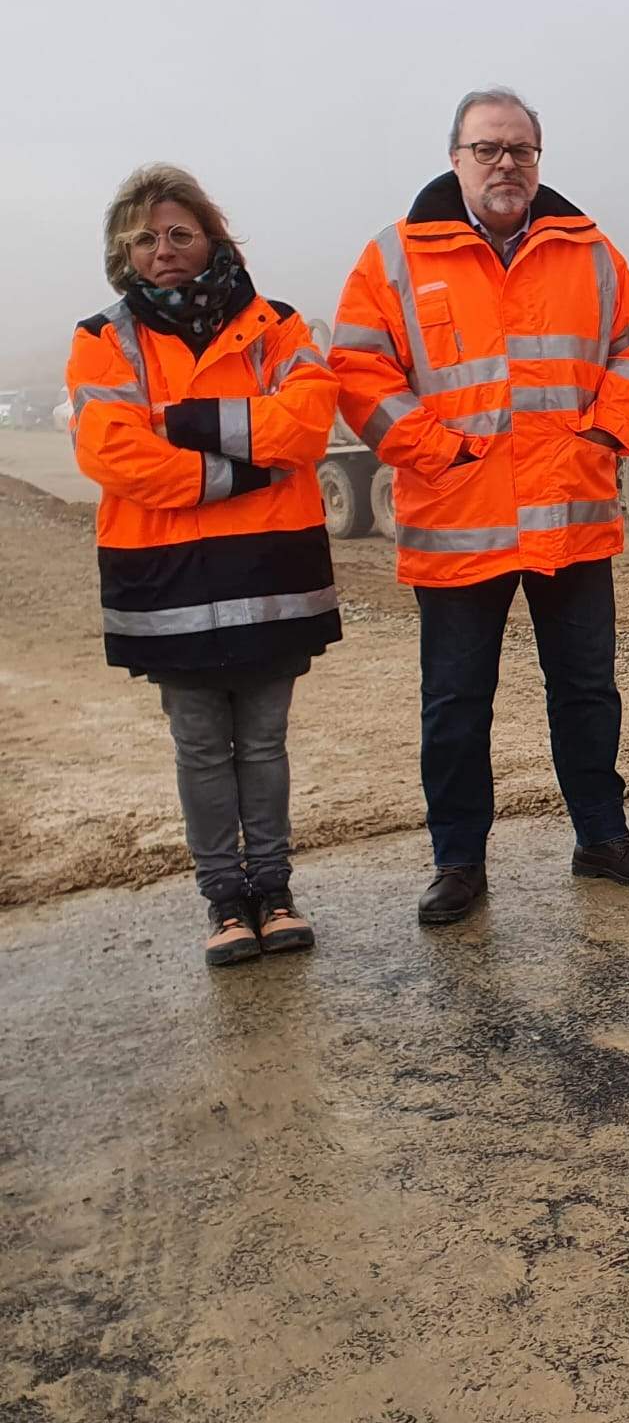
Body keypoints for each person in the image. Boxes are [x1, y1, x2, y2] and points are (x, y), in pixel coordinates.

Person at [330, 88, 629, 925]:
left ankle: (601, 836)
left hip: (570, 515)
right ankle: (458, 861)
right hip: (460, 520)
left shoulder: (587, 251)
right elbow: (357, 371)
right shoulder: (397, 258)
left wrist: (605, 436)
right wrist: (435, 450)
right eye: (488, 149)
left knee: (587, 691)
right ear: (456, 158)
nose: (506, 163)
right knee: (455, 702)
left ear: (538, 159)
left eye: (521, 149)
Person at [68, 165, 339, 966]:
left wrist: (181, 422)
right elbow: (114, 452)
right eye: (146, 237)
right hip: (168, 584)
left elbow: (308, 424)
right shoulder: (102, 339)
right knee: (197, 745)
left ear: (212, 238)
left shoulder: (280, 325)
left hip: (270, 572)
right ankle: (226, 901)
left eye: (180, 233)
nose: (164, 249)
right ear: (126, 251)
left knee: (263, 743)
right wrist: (246, 470)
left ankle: (276, 894)